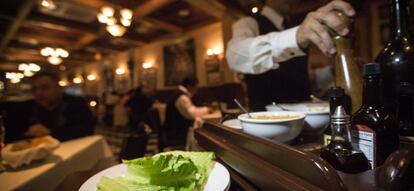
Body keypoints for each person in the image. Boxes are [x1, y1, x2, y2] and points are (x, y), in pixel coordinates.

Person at [226, 0, 355, 111]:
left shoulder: (295, 27)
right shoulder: (249, 22)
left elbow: (299, 78)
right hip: (266, 123)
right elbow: (235, 57)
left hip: (306, 120)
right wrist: (295, 37)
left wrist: (332, 71)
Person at [16, 71, 95, 142]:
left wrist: (50, 133)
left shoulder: (76, 103)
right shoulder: (28, 107)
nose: (38, 93)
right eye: (34, 89)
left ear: (59, 88)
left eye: (44, 88)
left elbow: (87, 130)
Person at [163, 77, 212, 144]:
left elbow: (192, 110)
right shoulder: (182, 98)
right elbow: (191, 114)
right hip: (176, 132)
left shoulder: (180, 94)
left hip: (175, 129)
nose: (196, 90)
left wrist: (205, 109)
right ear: (189, 86)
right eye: (196, 87)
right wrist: (206, 110)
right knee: (204, 134)